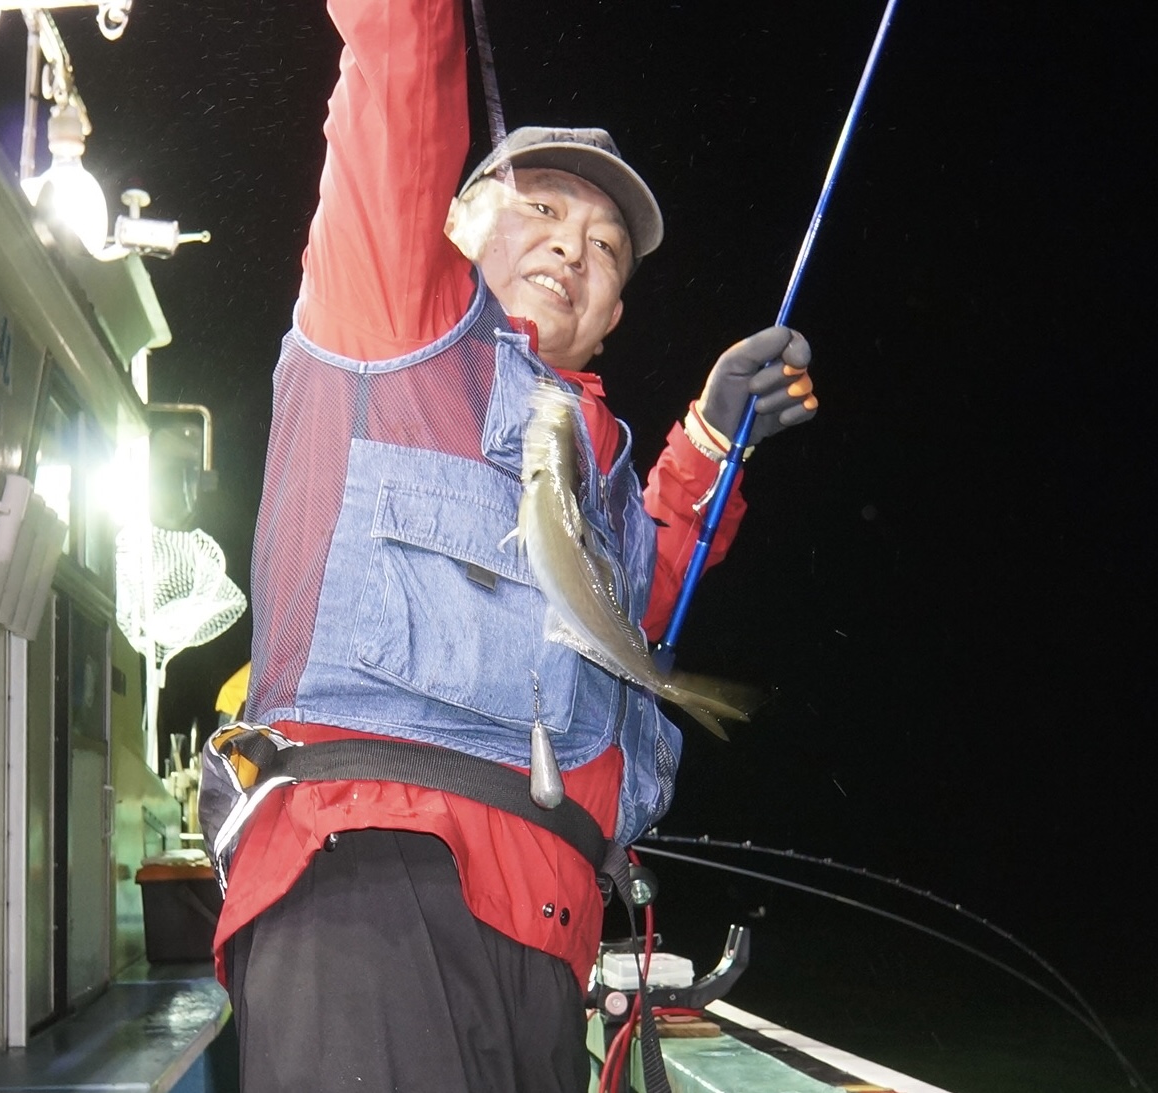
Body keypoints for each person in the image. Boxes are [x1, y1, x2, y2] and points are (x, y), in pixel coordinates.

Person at [206, 0, 819, 1088]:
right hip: (373, 880)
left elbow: (626, 606)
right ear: (460, 220)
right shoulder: (384, 319)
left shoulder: (594, 456)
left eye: (606, 248)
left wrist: (711, 446)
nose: (572, 247)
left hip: (549, 943)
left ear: (615, 313)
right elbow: (401, 58)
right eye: (540, 208)